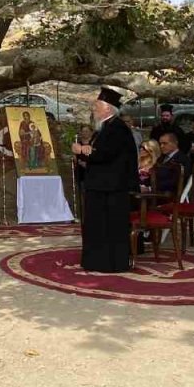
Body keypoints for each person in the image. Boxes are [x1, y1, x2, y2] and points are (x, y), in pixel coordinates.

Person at [72, 88, 138, 272]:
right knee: (98, 226)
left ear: (108, 109)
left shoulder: (117, 128)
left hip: (112, 188)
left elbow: (105, 155)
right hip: (103, 186)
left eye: (97, 106)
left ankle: (110, 264)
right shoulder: (105, 128)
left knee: (110, 227)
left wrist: (82, 150)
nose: (94, 109)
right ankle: (97, 261)